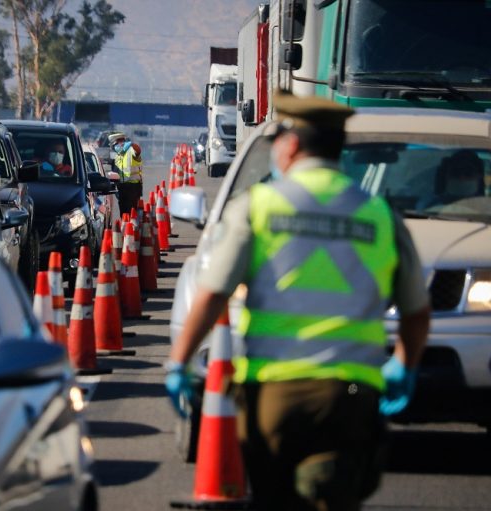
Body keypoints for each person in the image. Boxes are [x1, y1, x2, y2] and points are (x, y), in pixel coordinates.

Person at [165, 92, 431, 510]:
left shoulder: (258, 206)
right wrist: (405, 365)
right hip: (352, 394)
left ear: (290, 145)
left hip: (274, 395)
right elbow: (416, 312)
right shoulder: (379, 215)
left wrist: (179, 362)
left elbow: (214, 291)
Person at [419, 150, 486, 209]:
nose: (461, 178)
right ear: (446, 177)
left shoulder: (487, 208)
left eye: (468, 173)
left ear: (479, 177)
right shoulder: (428, 206)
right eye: (456, 172)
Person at [109, 132, 143, 214]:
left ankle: (133, 225)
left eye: (117, 144)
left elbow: (138, 150)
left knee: (132, 211)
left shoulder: (130, 151)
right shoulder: (117, 157)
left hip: (133, 187)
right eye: (114, 146)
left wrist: (130, 145)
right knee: (124, 212)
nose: (115, 147)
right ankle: (126, 225)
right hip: (122, 188)